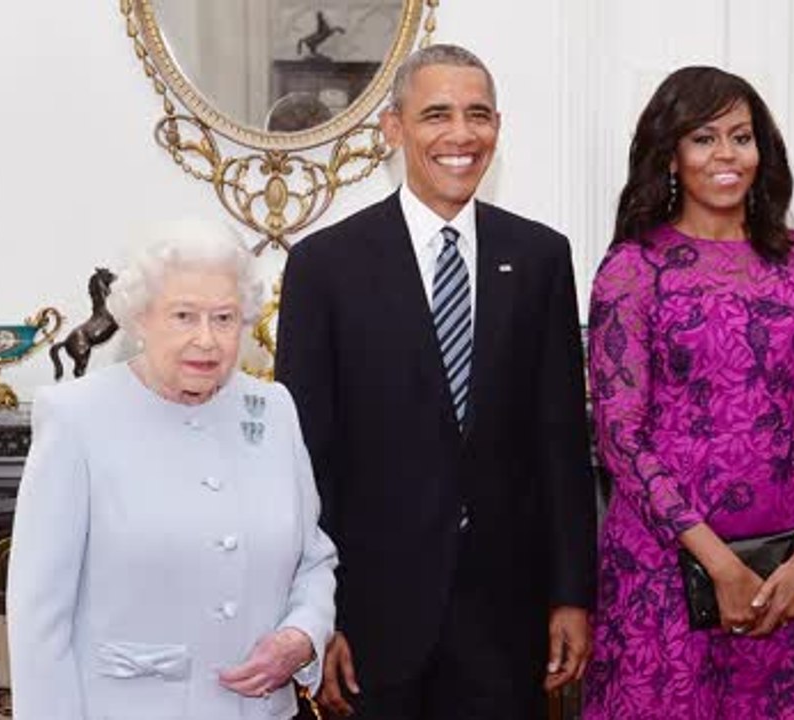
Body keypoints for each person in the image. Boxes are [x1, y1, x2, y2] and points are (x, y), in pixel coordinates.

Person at [274, 43, 596, 719]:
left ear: (497, 128)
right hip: (371, 621)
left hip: (508, 621)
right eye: (436, 114)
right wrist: (317, 614)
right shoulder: (324, 267)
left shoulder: (540, 258)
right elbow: (305, 462)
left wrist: (571, 595)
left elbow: (561, 442)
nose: (460, 135)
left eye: (477, 115)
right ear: (394, 129)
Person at [583, 66, 794, 719]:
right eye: (704, 138)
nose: (727, 155)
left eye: (742, 137)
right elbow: (620, 438)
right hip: (662, 572)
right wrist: (716, 562)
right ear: (671, 155)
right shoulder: (632, 269)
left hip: (789, 578)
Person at [7, 219, 337, 719]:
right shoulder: (77, 418)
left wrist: (303, 634)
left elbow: (313, 561)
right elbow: (39, 619)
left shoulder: (272, 409)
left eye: (225, 319)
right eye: (184, 316)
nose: (206, 339)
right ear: (140, 319)